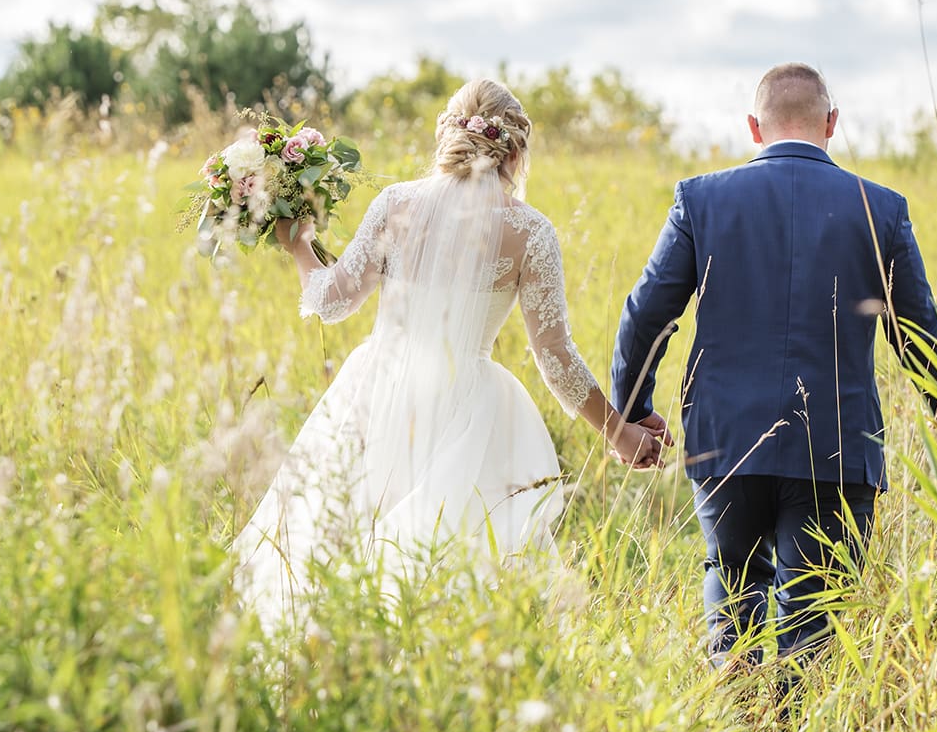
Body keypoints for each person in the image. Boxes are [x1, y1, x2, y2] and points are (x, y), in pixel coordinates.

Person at [234, 79, 659, 633]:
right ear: (516, 151)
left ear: (446, 136)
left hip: (376, 391)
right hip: (467, 408)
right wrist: (619, 432)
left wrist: (298, 243)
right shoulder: (530, 232)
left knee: (344, 539)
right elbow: (553, 355)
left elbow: (332, 300)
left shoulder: (396, 204)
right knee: (448, 566)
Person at [612, 62, 937, 673]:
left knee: (733, 596)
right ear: (832, 123)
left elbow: (646, 313)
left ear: (755, 127)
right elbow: (918, 332)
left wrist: (633, 408)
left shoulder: (701, 199)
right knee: (817, 621)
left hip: (727, 439)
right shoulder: (881, 209)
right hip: (835, 444)